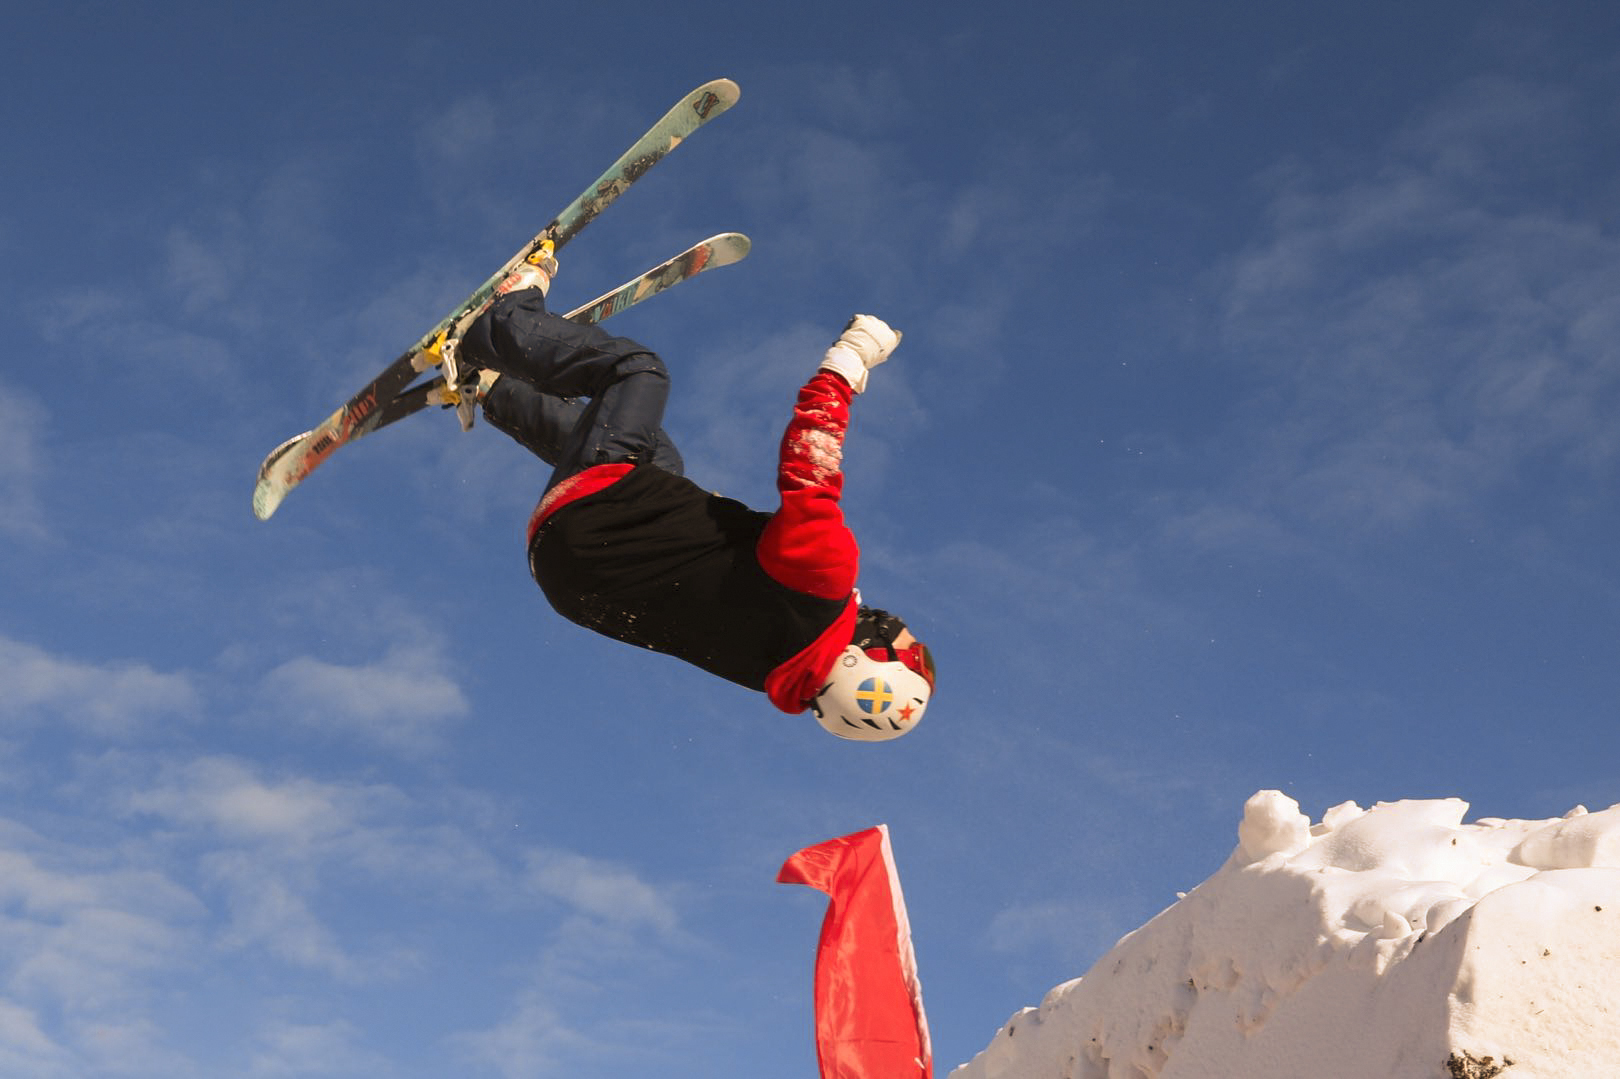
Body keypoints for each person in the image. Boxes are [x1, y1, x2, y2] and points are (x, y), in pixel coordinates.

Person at [452, 251, 935, 741]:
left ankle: (502, 320)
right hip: (566, 575)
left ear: (870, 660)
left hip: (596, 516)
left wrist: (847, 363)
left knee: (637, 372)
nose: (907, 631)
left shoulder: (823, 583)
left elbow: (812, 463)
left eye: (914, 652)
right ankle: (490, 388)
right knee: (659, 462)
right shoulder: (771, 673)